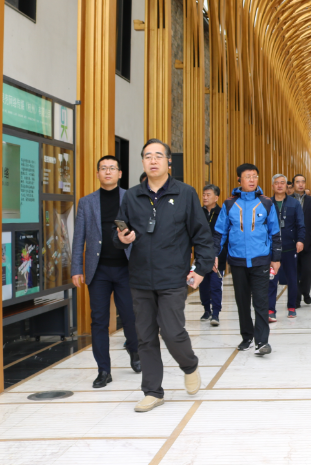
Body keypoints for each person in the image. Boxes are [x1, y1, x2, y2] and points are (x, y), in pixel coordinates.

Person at [114, 139, 215, 413]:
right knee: (145, 337)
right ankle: (152, 391)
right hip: (140, 278)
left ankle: (189, 365)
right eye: (148, 156)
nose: (153, 160)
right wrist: (122, 238)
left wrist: (201, 269)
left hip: (172, 277)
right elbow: (118, 235)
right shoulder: (132, 196)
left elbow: (202, 236)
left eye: (158, 155)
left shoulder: (185, 194)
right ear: (143, 162)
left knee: (172, 332)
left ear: (169, 161)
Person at [72, 155, 141, 389]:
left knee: (130, 316)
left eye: (112, 168)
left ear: (120, 173)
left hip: (126, 268)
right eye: (103, 168)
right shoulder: (86, 202)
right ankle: (104, 370)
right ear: (98, 173)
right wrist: (76, 268)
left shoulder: (130, 198)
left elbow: (140, 232)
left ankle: (135, 351)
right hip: (98, 271)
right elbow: (79, 237)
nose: (108, 172)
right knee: (99, 320)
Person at [213, 163, 282, 354]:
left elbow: (275, 232)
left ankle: (262, 342)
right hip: (237, 261)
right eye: (247, 176)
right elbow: (220, 233)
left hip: (261, 259)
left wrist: (276, 257)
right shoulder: (229, 204)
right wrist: (214, 255)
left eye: (255, 176)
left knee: (261, 301)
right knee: (242, 301)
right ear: (239, 180)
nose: (252, 180)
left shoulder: (266, 203)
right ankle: (247, 337)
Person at [268, 174, 305, 320]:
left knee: (292, 279)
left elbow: (300, 224)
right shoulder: (267, 203)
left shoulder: (294, 203)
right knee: (271, 279)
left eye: (282, 183)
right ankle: (270, 310)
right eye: (276, 183)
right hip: (272, 250)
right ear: (272, 186)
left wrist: (300, 240)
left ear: (287, 186)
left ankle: (291, 307)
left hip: (290, 248)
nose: (279, 185)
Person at [292, 174, 311, 306]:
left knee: (308, 271)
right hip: (292, 242)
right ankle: (297, 298)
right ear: (293, 184)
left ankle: (305, 291)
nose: (300, 184)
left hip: (308, 241)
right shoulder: (288, 200)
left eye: (303, 182)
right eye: (297, 182)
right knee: (294, 272)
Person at [200, 184, 225, 326]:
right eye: (204, 194)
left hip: (218, 255)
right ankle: (206, 310)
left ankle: (216, 313)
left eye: (208, 195)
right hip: (201, 255)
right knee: (203, 285)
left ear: (216, 197)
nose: (205, 197)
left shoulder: (222, 213)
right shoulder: (198, 213)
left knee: (215, 285)